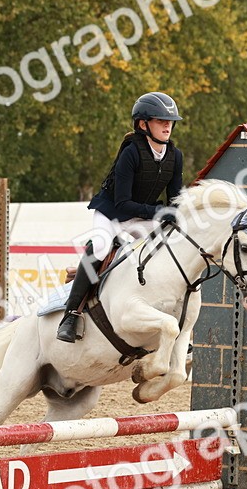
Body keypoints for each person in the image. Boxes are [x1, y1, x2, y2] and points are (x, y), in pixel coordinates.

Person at [57, 91, 185, 342]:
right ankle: (71, 315)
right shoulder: (131, 152)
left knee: (169, 248)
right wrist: (159, 213)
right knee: (103, 246)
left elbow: (175, 200)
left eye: (170, 121)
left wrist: (177, 216)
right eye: (161, 120)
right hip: (113, 213)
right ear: (143, 124)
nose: (167, 125)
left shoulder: (175, 156)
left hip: (142, 217)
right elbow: (123, 203)